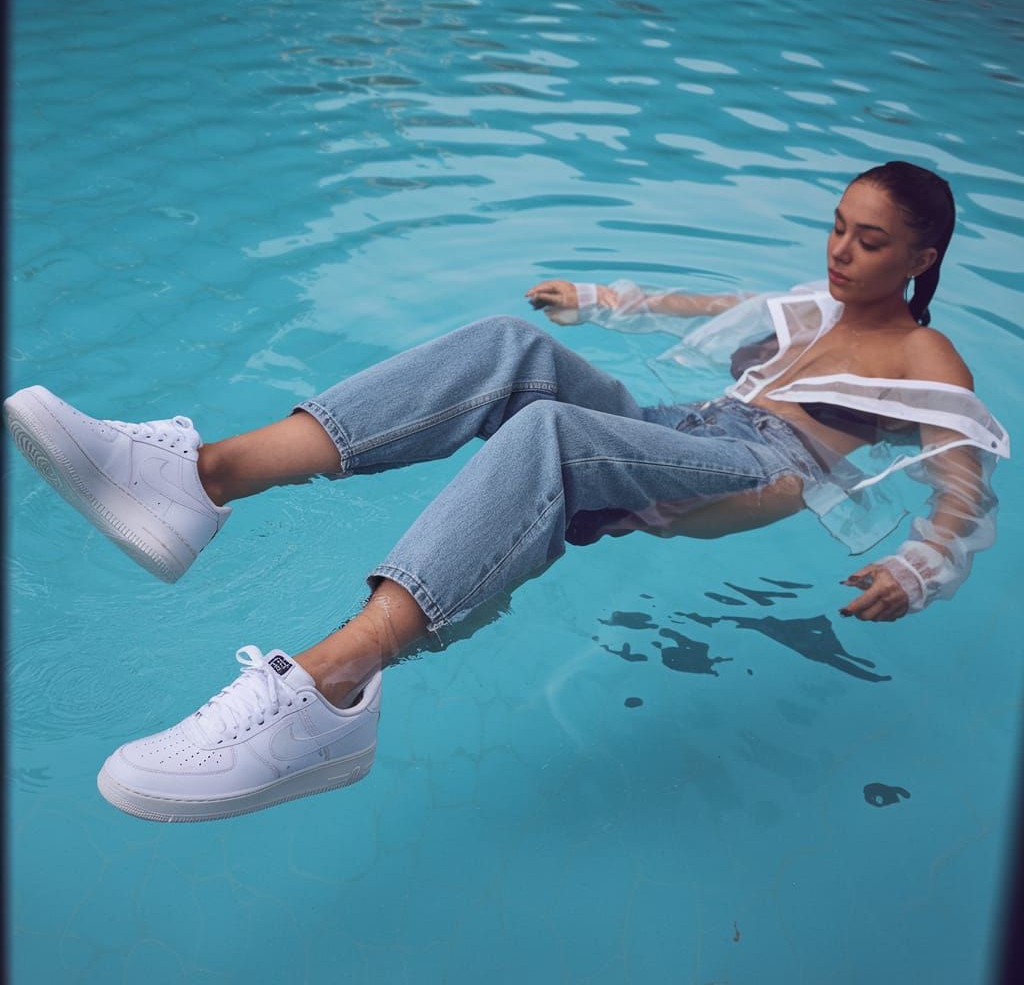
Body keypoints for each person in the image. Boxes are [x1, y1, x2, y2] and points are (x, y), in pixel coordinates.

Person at [4, 161, 1009, 823]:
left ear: (922, 258)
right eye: (835, 228)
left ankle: (329, 689)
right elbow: (708, 308)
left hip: (759, 471)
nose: (839, 253)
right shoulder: (814, 306)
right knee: (508, 346)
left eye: (868, 243)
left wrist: (921, 565)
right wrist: (599, 304)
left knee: (551, 432)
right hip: (685, 433)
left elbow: (961, 475)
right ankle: (196, 478)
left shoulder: (926, 354)